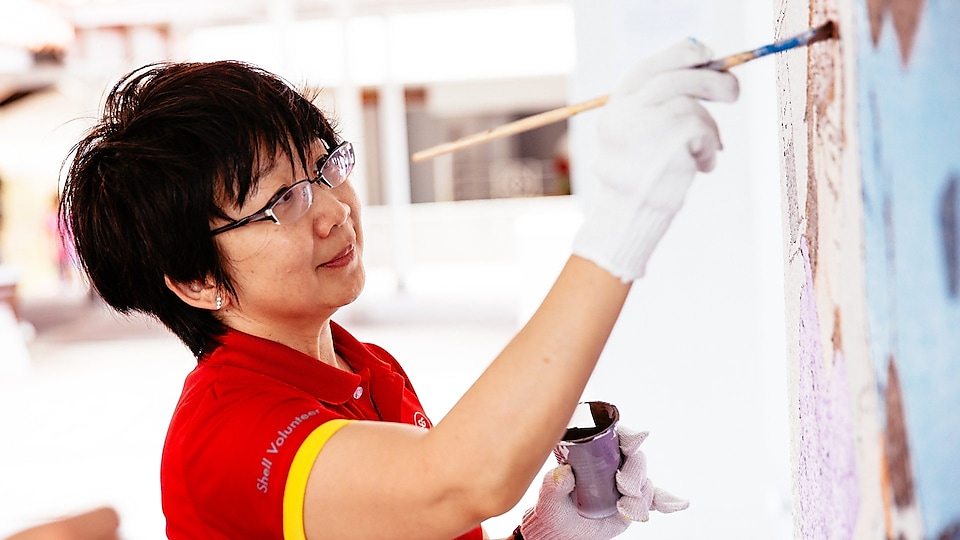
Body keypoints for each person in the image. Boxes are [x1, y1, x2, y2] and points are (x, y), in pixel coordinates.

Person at [61, 37, 738, 540]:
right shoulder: (226, 436)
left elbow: (440, 504)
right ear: (197, 281)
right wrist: (623, 220)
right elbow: (459, 481)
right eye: (283, 201)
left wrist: (546, 532)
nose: (334, 209)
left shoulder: (365, 367)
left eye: (324, 167)